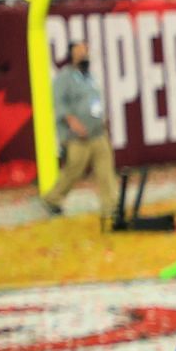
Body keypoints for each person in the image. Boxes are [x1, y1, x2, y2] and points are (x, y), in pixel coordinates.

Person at [42, 40, 120, 219]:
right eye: (79, 52)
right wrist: (73, 122)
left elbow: (95, 100)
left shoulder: (90, 77)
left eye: (85, 51)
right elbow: (59, 104)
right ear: (71, 56)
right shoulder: (64, 78)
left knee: (105, 167)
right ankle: (53, 198)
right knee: (74, 168)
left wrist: (102, 118)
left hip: (97, 132)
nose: (83, 55)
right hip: (77, 135)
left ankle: (111, 205)